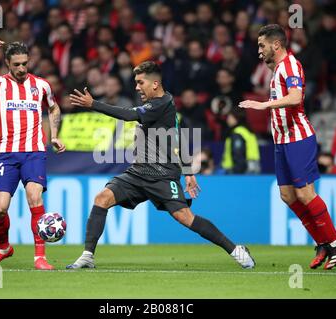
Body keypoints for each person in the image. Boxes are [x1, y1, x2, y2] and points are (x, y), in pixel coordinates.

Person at [68, 61, 255, 270]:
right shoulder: (166, 106)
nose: (137, 88)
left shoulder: (161, 103)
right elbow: (178, 138)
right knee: (102, 198)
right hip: (138, 173)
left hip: (162, 176)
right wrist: (188, 172)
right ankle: (87, 256)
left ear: (155, 84)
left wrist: (93, 104)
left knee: (185, 217)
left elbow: (129, 115)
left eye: (140, 83)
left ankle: (235, 250)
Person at [239, 24, 336, 270]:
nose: (259, 50)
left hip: (298, 138)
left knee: (304, 193)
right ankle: (322, 242)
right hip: (282, 141)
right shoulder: (277, 67)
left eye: (262, 45)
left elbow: (296, 97)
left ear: (276, 45)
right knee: (287, 195)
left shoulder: (290, 65)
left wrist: (263, 105)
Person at [0, 40, 66, 270]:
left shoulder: (41, 85)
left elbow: (54, 107)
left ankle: (40, 257)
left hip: (34, 152)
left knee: (34, 198)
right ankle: (4, 248)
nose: (21, 69)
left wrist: (54, 134)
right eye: (16, 64)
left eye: (25, 64)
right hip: (6, 155)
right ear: (7, 63)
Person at [221, 109, 260, 174]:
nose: (227, 120)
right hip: (253, 168)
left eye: (229, 117)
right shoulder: (247, 131)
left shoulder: (238, 133)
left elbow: (238, 155)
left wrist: (235, 172)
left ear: (236, 118)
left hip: (241, 172)